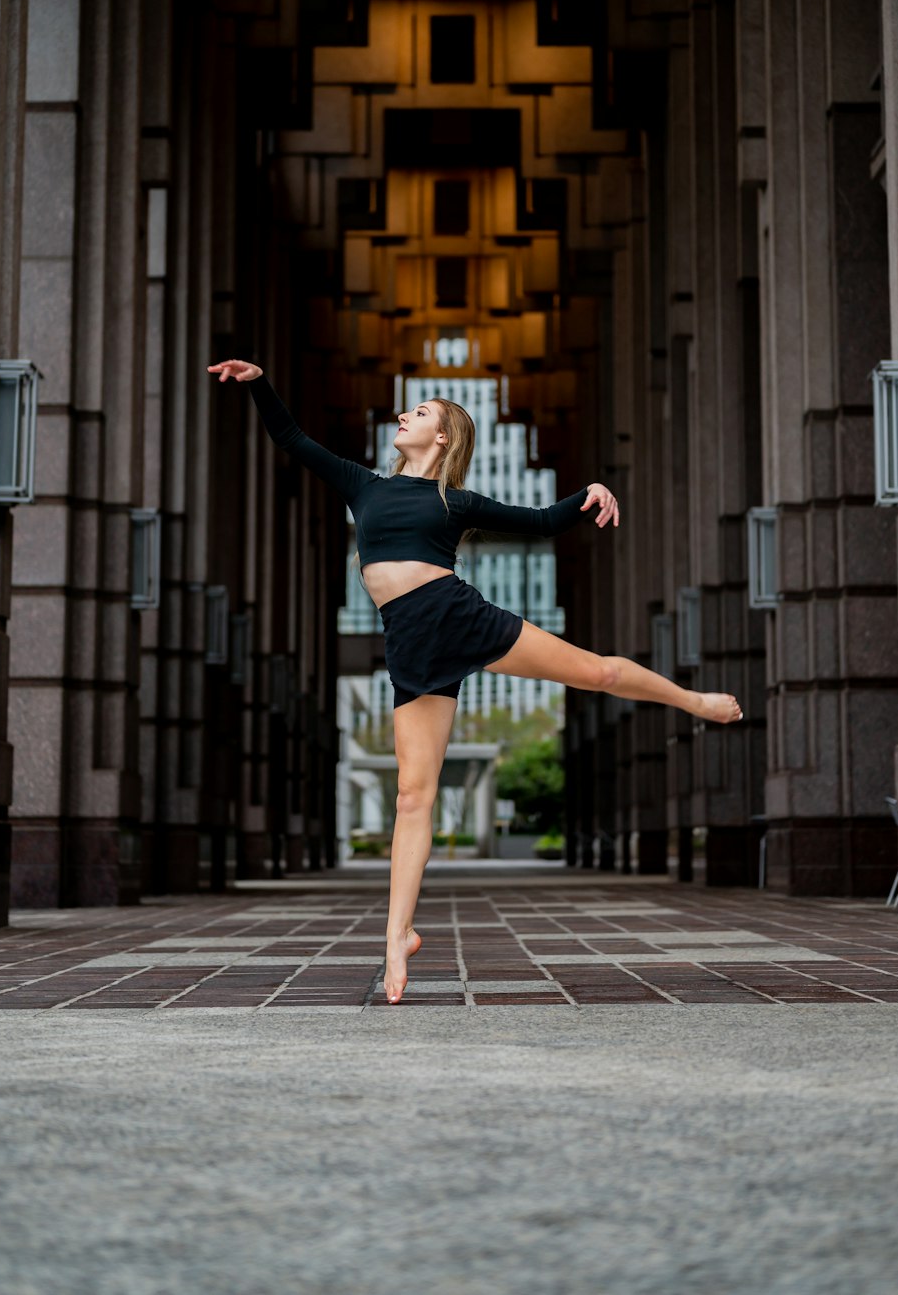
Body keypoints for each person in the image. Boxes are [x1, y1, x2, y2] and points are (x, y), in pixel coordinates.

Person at [208, 359, 742, 1003]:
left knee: (594, 671)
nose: (405, 416)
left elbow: (542, 521)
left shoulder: (451, 500)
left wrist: (590, 492)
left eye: (422, 412)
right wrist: (262, 381)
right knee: (413, 796)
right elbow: (291, 438)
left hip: (460, 618)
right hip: (410, 644)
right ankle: (396, 938)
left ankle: (695, 701)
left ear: (443, 439)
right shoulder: (362, 485)